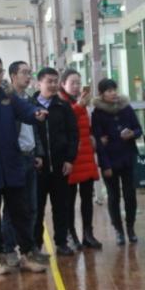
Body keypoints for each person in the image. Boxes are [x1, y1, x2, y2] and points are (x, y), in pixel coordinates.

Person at [0, 54, 48, 274]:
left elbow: (26, 110)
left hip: (12, 165)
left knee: (21, 213)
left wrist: (36, 113)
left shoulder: (8, 95)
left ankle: (27, 254)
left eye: (0, 71)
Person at [32, 67, 78, 256]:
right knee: (37, 209)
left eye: (55, 81)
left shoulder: (63, 106)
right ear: (39, 83)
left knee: (61, 207)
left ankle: (61, 242)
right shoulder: (29, 106)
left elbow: (73, 134)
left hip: (60, 166)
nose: (52, 85)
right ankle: (35, 245)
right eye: (48, 81)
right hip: (38, 168)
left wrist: (70, 159)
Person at [92, 78, 142, 245]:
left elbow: (138, 129)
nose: (113, 93)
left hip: (128, 159)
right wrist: (105, 165)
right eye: (109, 91)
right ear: (102, 94)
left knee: (130, 195)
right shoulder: (98, 114)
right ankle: (118, 230)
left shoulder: (126, 108)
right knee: (113, 197)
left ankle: (130, 228)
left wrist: (133, 134)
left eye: (114, 89)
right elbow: (99, 143)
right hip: (110, 162)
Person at [58, 69, 101, 250]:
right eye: (72, 83)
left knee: (87, 199)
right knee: (68, 201)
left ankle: (88, 234)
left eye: (78, 82)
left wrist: (91, 135)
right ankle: (71, 235)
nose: (76, 86)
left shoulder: (80, 102)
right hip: (71, 157)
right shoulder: (61, 102)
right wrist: (79, 106)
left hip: (86, 155)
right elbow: (64, 122)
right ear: (63, 84)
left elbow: (84, 125)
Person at [2, 61, 40, 256]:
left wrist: (38, 153)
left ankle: (28, 248)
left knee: (31, 207)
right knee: (12, 209)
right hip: (15, 160)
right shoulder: (6, 101)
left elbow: (36, 130)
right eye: (24, 72)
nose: (28, 76)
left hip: (30, 157)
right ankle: (8, 249)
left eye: (29, 73)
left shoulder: (31, 100)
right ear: (13, 76)